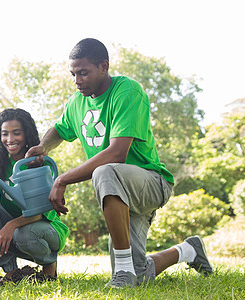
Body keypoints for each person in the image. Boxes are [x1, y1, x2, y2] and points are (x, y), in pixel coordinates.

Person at [26, 38, 212, 288]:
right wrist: (44, 146)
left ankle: (122, 272)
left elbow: (117, 154)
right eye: (73, 74)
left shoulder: (127, 91)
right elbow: (60, 128)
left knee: (104, 171)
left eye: (83, 73)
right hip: (119, 191)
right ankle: (188, 250)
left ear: (104, 66)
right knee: (140, 272)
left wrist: (62, 179)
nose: (77, 81)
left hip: (151, 182)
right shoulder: (76, 103)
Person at [0, 108, 69, 281]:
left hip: (44, 228)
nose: (10, 140)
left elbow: (41, 213)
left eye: (16, 133)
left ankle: (49, 266)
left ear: (26, 133)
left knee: (24, 234)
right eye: (5, 134)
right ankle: (11, 271)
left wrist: (11, 225)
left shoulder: (39, 162)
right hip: (16, 228)